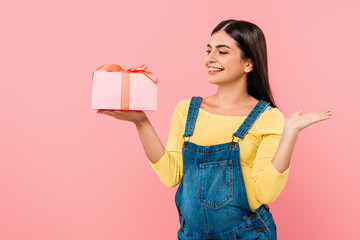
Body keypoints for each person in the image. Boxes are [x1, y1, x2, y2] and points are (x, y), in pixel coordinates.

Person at [96, 19, 331, 240]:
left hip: (247, 234)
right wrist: (142, 123)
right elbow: (171, 177)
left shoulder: (268, 117)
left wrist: (290, 132)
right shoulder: (186, 110)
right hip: (191, 234)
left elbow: (265, 192)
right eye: (208, 50)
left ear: (248, 63)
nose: (210, 58)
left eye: (223, 51)